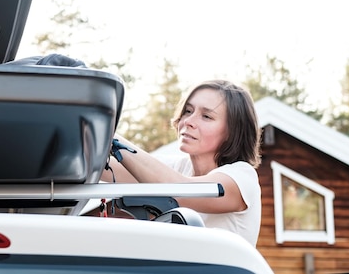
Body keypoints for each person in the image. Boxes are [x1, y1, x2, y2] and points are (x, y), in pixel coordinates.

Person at [101, 79, 262, 246]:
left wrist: (107, 132)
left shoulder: (242, 178)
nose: (188, 121)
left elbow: (178, 189)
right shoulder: (177, 168)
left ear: (233, 131)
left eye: (206, 116)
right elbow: (105, 167)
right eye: (188, 111)